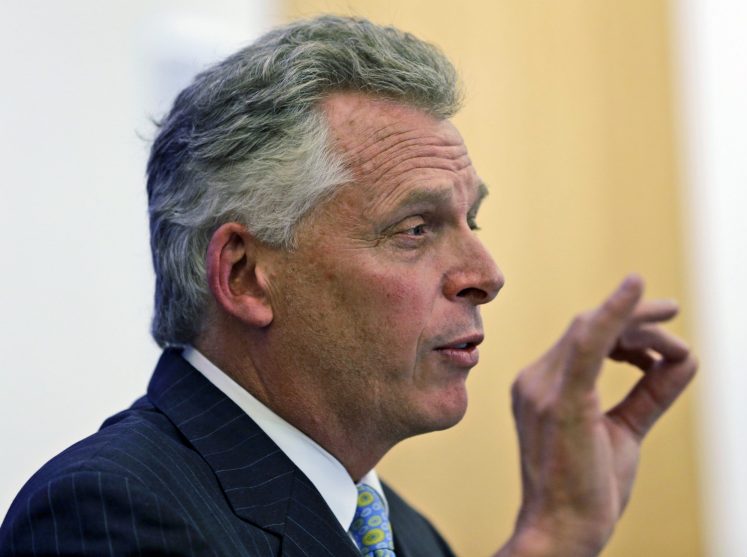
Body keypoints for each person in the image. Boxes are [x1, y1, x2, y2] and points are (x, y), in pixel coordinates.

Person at [0, 15, 696, 557]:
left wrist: (565, 526)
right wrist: (547, 536)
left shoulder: (404, 532)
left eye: (471, 220)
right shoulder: (106, 509)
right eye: (416, 228)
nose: (485, 275)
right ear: (245, 275)